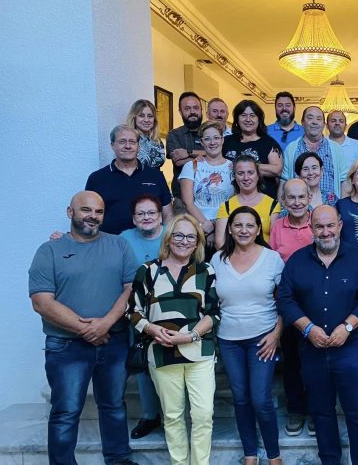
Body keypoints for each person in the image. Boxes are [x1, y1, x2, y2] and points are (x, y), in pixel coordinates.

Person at [29, 191, 139, 465]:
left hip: (112, 341)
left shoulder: (119, 245)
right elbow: (42, 302)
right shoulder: (49, 251)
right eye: (86, 210)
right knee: (66, 411)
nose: (93, 216)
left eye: (98, 212)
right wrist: (85, 329)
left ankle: (118, 458)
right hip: (66, 346)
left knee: (114, 405)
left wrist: (105, 323)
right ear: (71, 212)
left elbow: (131, 289)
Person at [278, 205, 358, 465]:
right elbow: (286, 300)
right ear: (311, 228)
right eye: (319, 227)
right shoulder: (297, 261)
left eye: (330, 225)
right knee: (321, 413)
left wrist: (347, 327)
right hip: (312, 350)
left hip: (351, 349)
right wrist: (307, 328)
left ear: (340, 225)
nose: (326, 232)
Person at [128, 213, 219, 465]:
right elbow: (133, 311)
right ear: (168, 238)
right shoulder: (148, 271)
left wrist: (189, 335)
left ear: (197, 242)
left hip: (199, 351)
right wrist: (152, 330)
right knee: (172, 416)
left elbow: (213, 313)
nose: (184, 241)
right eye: (178, 235)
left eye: (190, 237)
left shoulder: (205, 270)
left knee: (203, 415)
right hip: (161, 352)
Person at [211, 207, 285, 465]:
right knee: (240, 398)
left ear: (258, 229)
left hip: (262, 338)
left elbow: (286, 300)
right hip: (229, 339)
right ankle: (250, 454)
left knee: (261, 399)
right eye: (238, 225)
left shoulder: (272, 258)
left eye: (250, 225)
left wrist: (276, 334)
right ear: (230, 229)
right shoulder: (217, 260)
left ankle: (274, 456)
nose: (244, 230)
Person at [269, 178, 314, 436]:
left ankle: (317, 409)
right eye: (291, 198)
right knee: (292, 359)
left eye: (301, 197)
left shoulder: (318, 222)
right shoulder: (277, 226)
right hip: (288, 303)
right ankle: (296, 409)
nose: (296, 202)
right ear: (283, 201)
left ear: (309, 198)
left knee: (316, 360)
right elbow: (273, 263)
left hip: (317, 303)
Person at [120, 195, 166, 439]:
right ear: (133, 218)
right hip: (138, 314)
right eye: (141, 213)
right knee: (142, 366)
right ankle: (150, 415)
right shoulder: (124, 239)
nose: (146, 217)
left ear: (160, 215)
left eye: (151, 213)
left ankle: (173, 416)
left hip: (172, 312)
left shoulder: (172, 234)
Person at [85, 124, 174, 235]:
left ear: (138, 146)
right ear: (112, 145)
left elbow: (167, 214)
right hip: (111, 242)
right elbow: (88, 217)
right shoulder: (97, 178)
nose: (128, 146)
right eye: (122, 142)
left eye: (132, 142)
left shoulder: (155, 176)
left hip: (149, 241)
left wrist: (167, 239)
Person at [178, 121, 234, 250]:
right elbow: (188, 202)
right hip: (198, 228)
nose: (212, 142)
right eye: (207, 139)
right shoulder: (191, 166)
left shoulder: (233, 167)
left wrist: (216, 228)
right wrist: (205, 226)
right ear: (202, 142)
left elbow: (235, 201)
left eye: (216, 138)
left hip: (225, 228)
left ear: (222, 140)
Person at [281, 106, 348, 200]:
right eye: (310, 118)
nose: (314, 122)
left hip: (331, 207)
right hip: (299, 206)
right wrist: (282, 206)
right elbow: (284, 181)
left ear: (324, 124)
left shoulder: (336, 149)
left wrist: (343, 207)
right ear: (302, 122)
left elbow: (344, 181)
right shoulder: (291, 149)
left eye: (319, 119)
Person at [222, 99, 283, 199]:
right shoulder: (226, 141)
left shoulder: (269, 143)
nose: (248, 119)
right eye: (243, 115)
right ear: (237, 119)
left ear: (259, 119)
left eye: (252, 115)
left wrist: (242, 167)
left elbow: (277, 170)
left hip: (263, 200)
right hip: (231, 199)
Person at [216, 156, 281, 246]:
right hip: (234, 254)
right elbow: (220, 243)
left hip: (264, 253)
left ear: (258, 175)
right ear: (234, 176)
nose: (246, 178)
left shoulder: (272, 205)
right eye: (240, 173)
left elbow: (275, 241)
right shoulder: (226, 206)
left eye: (250, 172)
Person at [166, 91, 205, 200]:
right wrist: (205, 157)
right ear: (180, 111)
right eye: (187, 109)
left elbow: (217, 154)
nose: (192, 112)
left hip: (208, 195)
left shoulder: (210, 133)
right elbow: (178, 162)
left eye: (196, 108)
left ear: (201, 110)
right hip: (181, 197)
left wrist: (188, 153)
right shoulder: (174, 134)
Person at [126, 99, 165, 168]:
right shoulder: (128, 140)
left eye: (150, 116)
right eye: (141, 115)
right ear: (134, 117)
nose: (146, 120)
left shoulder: (157, 141)